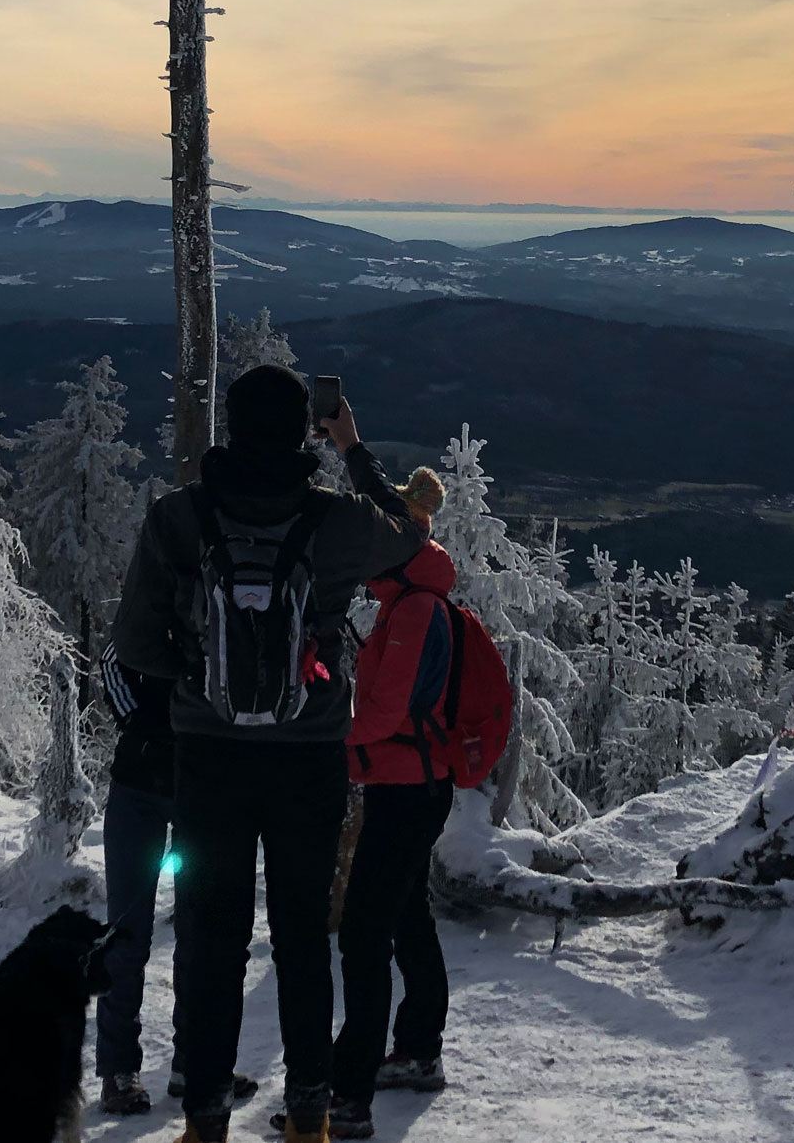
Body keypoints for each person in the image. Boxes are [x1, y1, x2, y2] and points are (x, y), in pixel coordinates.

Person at [114, 366, 431, 1143]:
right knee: (299, 938)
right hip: (307, 756)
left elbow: (132, 642)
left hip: (210, 757)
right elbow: (414, 534)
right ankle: (311, 1116)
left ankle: (205, 1120)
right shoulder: (335, 520)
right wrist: (352, 448)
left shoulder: (179, 518)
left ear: (229, 424)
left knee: (212, 935)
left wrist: (195, 674)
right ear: (303, 431)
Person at [328, 468, 458, 1139]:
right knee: (406, 915)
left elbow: (381, 713)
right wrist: (351, 446)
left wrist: (331, 745)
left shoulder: (411, 610)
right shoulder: (412, 595)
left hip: (406, 788)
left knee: (363, 932)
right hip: (413, 784)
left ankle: (347, 1097)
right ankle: (419, 1051)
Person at [88, 640, 261, 1115]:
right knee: (126, 935)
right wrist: (142, 725)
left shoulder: (217, 596)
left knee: (199, 934)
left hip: (199, 788)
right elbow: (111, 658)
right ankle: (117, 1071)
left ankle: (195, 1064)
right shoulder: (151, 593)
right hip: (137, 787)